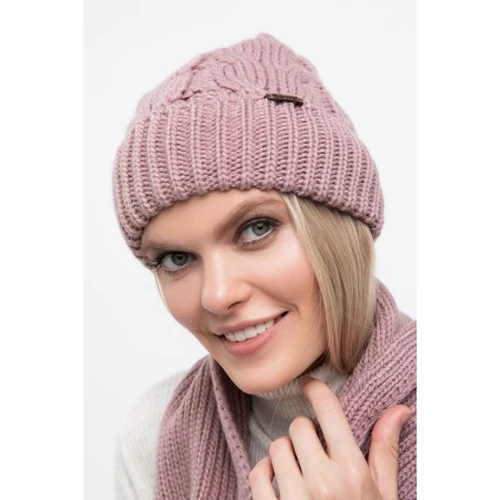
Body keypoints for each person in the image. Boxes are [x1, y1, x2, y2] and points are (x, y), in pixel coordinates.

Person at [112, 33, 416, 500]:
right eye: (176, 258)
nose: (217, 295)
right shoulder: (153, 432)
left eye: (256, 229)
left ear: (337, 224)